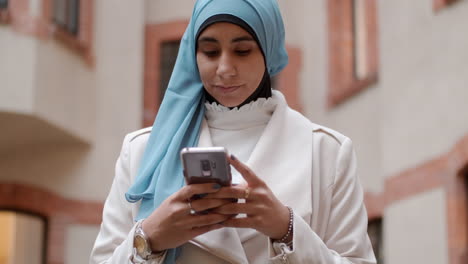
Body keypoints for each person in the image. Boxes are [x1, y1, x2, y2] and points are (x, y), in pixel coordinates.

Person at [90, 0, 376, 263]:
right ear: (193, 54)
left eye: (242, 50)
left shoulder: (327, 152)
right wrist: (149, 237)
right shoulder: (143, 150)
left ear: (269, 49)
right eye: (210, 51)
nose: (225, 69)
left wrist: (286, 229)